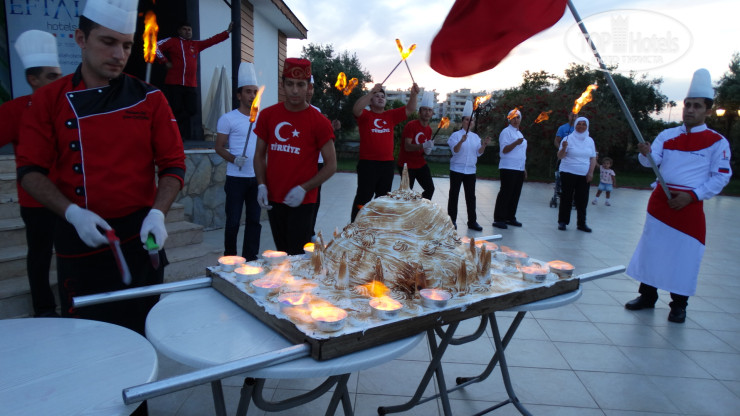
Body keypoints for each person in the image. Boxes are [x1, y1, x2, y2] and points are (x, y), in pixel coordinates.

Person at [16, 0, 186, 339]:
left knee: (142, 334)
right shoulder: (49, 100)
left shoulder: (150, 98)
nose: (119, 55)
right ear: (81, 39)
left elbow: (174, 165)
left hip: (140, 239)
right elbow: (30, 172)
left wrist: (158, 213)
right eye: (108, 42)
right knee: (87, 341)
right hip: (80, 239)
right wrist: (72, 213)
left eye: (126, 45)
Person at [625, 68, 732, 324]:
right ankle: (647, 296)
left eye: (697, 106)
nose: (690, 110)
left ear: (707, 111)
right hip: (661, 203)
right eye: (687, 105)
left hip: (689, 207)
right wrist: (645, 153)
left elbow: (721, 177)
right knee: (652, 250)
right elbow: (651, 162)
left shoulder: (718, 142)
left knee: (684, 256)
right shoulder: (667, 135)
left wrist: (692, 196)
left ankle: (679, 305)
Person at [0, 30, 62, 317]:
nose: (58, 81)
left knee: (71, 253)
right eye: (51, 76)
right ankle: (44, 309)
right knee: (39, 254)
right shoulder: (14, 110)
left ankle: (74, 301)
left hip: (70, 197)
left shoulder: (69, 105)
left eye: (59, 75)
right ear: (32, 79)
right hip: (36, 200)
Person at [253, 58, 337, 255]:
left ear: (309, 87)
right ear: (282, 84)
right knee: (282, 252)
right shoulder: (268, 115)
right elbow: (259, 154)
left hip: (303, 200)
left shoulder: (319, 122)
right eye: (290, 84)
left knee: (297, 255)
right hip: (274, 197)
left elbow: (331, 165)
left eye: (300, 85)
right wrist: (261, 185)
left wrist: (304, 188)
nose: (295, 90)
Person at [350, 82, 419, 222]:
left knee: (382, 199)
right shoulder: (365, 115)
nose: (380, 98)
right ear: (370, 101)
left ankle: (377, 226)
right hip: (368, 164)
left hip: (387, 164)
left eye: (383, 96)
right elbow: (356, 109)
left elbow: (410, 108)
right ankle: (355, 225)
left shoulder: (390, 115)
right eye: (377, 96)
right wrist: (371, 92)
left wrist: (413, 94)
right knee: (363, 197)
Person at [214, 62, 261, 261]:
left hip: (256, 178)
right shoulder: (228, 119)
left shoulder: (262, 118)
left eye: (255, 92)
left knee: (254, 221)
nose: (252, 95)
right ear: (239, 95)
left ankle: (250, 258)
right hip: (235, 178)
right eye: (248, 91)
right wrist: (234, 159)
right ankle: (230, 258)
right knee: (233, 221)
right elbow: (219, 147)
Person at [156, 21, 233, 141]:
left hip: (190, 84)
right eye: (184, 29)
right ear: (179, 31)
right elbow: (155, 46)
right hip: (174, 83)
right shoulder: (172, 41)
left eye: (189, 30)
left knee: (192, 110)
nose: (187, 32)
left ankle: (176, 132)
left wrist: (227, 32)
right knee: (176, 109)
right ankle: (178, 136)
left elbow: (211, 41)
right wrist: (164, 61)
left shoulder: (195, 44)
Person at [447, 100, 492, 231]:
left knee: (471, 197)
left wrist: (484, 145)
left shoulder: (475, 137)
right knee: (454, 195)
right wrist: (461, 141)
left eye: (471, 120)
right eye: (467, 120)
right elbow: (455, 151)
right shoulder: (455, 135)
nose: (469, 122)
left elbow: (478, 153)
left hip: (470, 171)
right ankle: (451, 220)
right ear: (462, 121)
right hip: (457, 169)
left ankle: (472, 222)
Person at [306, 76, 341, 239]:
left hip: (318, 162)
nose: (308, 90)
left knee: (315, 198)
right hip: (304, 162)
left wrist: (331, 129)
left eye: (311, 87)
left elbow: (321, 137)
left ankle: (310, 230)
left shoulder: (317, 111)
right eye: (306, 86)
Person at [556, 116, 596, 232]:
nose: (581, 126)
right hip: (568, 172)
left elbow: (593, 158)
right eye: (579, 124)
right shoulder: (567, 139)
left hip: (583, 174)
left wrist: (590, 173)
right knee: (566, 198)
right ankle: (563, 222)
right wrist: (563, 148)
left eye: (584, 124)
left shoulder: (590, 141)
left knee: (582, 199)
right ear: (575, 125)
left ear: (587, 126)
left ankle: (581, 223)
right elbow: (560, 156)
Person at [397, 90, 436, 200]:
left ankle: (419, 206)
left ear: (432, 113)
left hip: (420, 163)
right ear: (419, 112)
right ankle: (407, 208)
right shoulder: (411, 125)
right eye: (424, 109)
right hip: (406, 164)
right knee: (406, 194)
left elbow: (422, 150)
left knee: (430, 189)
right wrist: (423, 145)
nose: (427, 112)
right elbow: (407, 147)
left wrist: (427, 150)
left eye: (429, 110)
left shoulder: (429, 130)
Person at [493, 109, 527, 229]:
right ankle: (499, 218)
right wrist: (515, 143)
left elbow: (522, 153)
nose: (515, 120)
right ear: (509, 119)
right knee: (506, 193)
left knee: (515, 194)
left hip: (519, 168)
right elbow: (504, 150)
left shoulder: (520, 134)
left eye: (518, 117)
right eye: (513, 118)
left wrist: (524, 168)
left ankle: (510, 217)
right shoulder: (506, 132)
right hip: (508, 167)